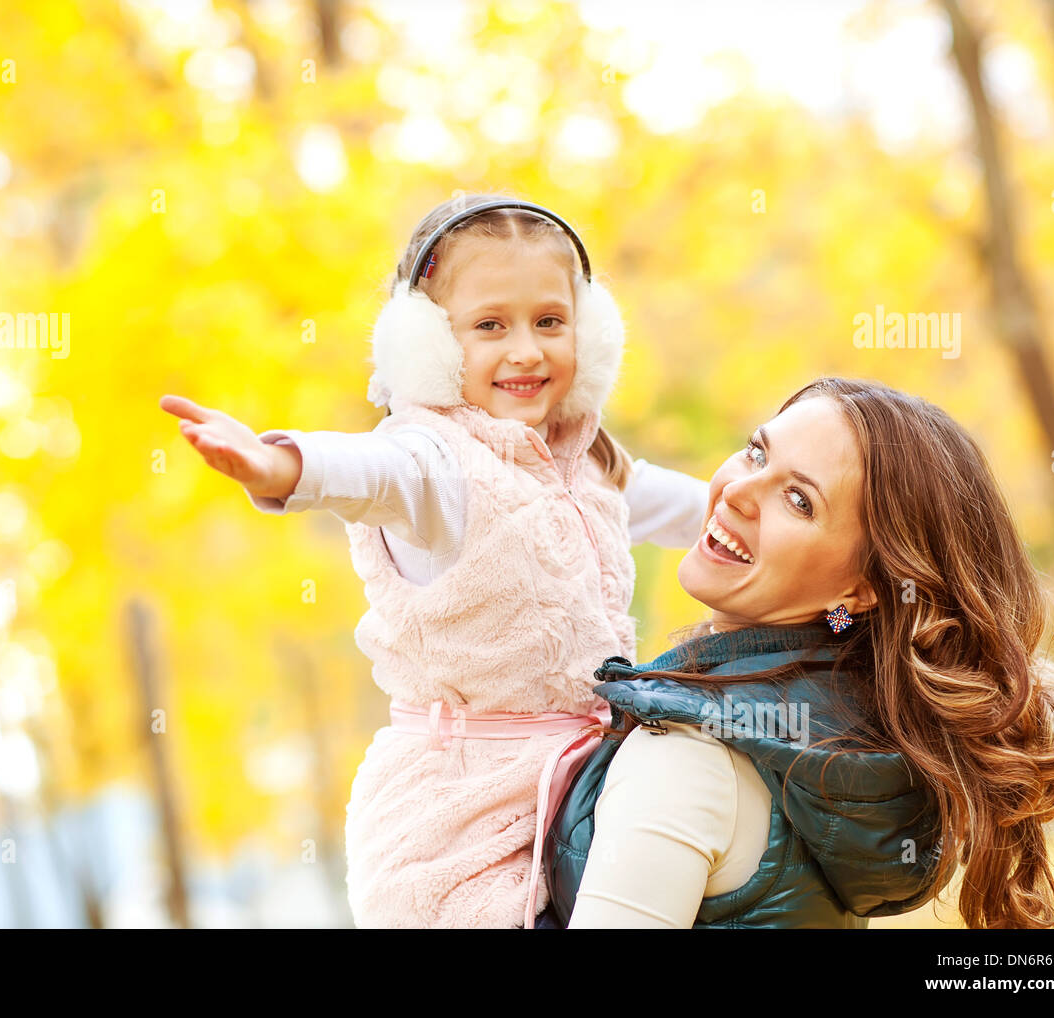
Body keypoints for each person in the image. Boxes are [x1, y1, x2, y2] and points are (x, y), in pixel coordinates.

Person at [159, 194, 709, 928]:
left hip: (578, 789)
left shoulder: (587, 462)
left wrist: (783, 512)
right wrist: (281, 465)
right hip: (459, 820)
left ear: (591, 330)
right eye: (489, 326)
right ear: (428, 346)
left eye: (550, 321)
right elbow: (369, 470)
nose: (526, 350)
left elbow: (696, 508)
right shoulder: (434, 463)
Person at [545, 377, 1054, 929]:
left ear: (859, 592)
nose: (738, 490)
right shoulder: (843, 739)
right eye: (756, 452)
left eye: (798, 500)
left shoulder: (687, 759)